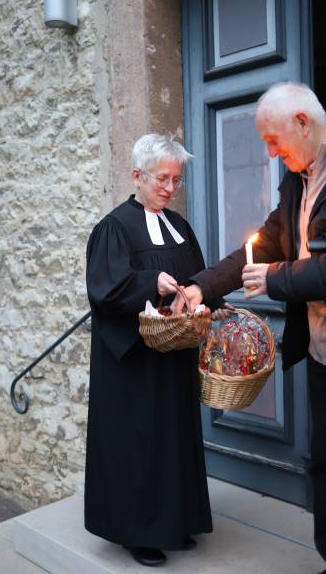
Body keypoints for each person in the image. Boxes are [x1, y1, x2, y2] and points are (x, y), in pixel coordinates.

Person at [171, 82, 326, 574]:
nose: (269, 152)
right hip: (321, 355)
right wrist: (203, 287)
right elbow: (264, 243)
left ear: (303, 124)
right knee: (325, 469)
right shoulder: (298, 178)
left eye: (273, 139)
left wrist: (278, 279)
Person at [84, 134, 213, 567]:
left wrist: (200, 298)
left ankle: (176, 521)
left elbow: (196, 276)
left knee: (174, 440)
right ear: (137, 176)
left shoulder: (178, 225)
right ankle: (137, 531)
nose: (170, 188)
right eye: (162, 179)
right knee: (141, 445)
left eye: (176, 180)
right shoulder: (114, 227)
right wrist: (148, 283)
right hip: (134, 366)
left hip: (172, 355)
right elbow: (105, 289)